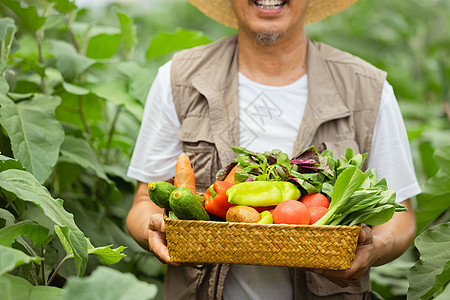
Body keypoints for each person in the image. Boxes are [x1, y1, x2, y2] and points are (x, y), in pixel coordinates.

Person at [126, 0, 421, 299]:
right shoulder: (178, 79)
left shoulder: (368, 88)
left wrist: (373, 249)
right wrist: (152, 230)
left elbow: (401, 218)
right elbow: (143, 202)